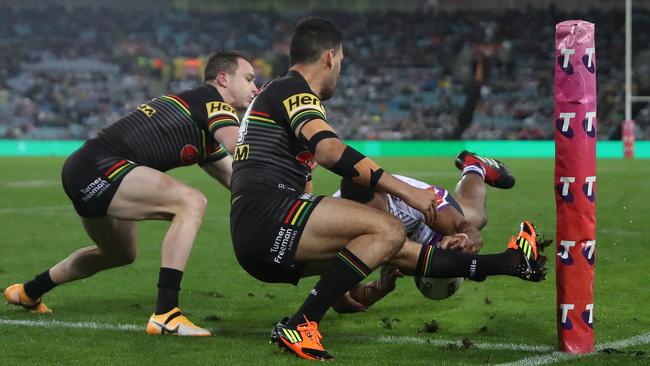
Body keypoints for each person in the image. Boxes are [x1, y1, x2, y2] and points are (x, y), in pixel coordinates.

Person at [229, 17, 546, 361]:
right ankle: (302, 323)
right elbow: (330, 150)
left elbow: (359, 282)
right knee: (389, 230)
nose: (339, 72)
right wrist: (405, 191)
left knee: (394, 247)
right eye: (342, 63)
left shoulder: (277, 95)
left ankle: (511, 262)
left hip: (261, 237)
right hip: (269, 216)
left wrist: (496, 261)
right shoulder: (291, 89)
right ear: (330, 57)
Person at [4, 51, 258, 337]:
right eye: (249, 79)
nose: (255, 88)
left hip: (91, 169)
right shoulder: (211, 99)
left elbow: (239, 179)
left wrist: (285, 199)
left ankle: (28, 291)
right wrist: (290, 143)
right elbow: (240, 146)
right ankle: (166, 314)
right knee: (191, 202)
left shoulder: (203, 126)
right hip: (100, 168)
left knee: (119, 254)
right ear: (223, 78)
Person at [331, 151, 539, 312]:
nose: (379, 221)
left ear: (385, 192)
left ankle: (474, 166)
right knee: (421, 272)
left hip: (427, 222)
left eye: (381, 212)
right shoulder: (339, 220)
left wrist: (463, 240)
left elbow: (468, 231)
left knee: (475, 217)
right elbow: (341, 301)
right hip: (395, 242)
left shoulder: (410, 198)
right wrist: (379, 288)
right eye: (369, 219)